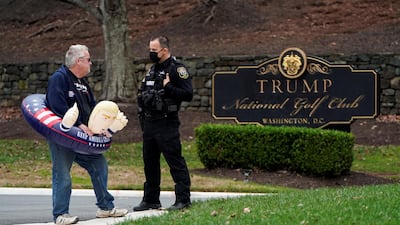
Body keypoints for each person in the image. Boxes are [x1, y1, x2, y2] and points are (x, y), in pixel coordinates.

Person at [46, 44, 128, 225]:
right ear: (78, 61)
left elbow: (93, 108)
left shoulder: (82, 83)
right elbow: (57, 106)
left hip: (84, 139)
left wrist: (103, 126)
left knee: (99, 165)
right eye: (88, 59)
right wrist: (78, 125)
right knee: (62, 174)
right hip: (63, 137)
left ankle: (106, 207)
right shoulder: (59, 79)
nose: (91, 63)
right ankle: (60, 214)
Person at [134, 36, 193, 211]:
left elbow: (188, 94)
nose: (151, 53)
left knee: (175, 161)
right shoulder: (152, 70)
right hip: (150, 123)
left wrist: (168, 87)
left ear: (164, 50)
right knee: (150, 162)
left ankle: (183, 199)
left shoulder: (177, 69)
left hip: (167, 122)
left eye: (154, 50)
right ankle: (151, 199)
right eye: (150, 50)